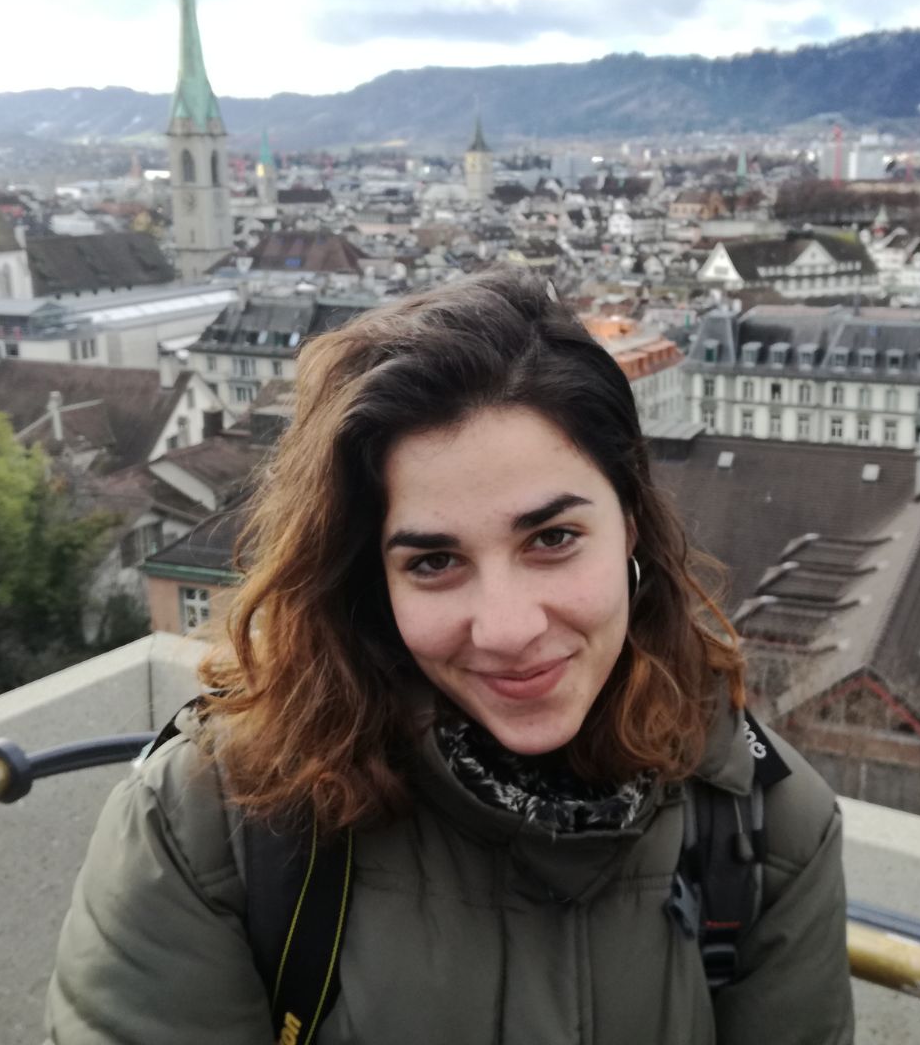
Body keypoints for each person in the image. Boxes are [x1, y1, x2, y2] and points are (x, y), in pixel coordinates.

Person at [45, 269, 854, 1044]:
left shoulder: (766, 830)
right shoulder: (212, 825)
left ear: (630, 530)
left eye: (553, 539)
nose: (506, 629)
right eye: (434, 561)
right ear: (372, 581)